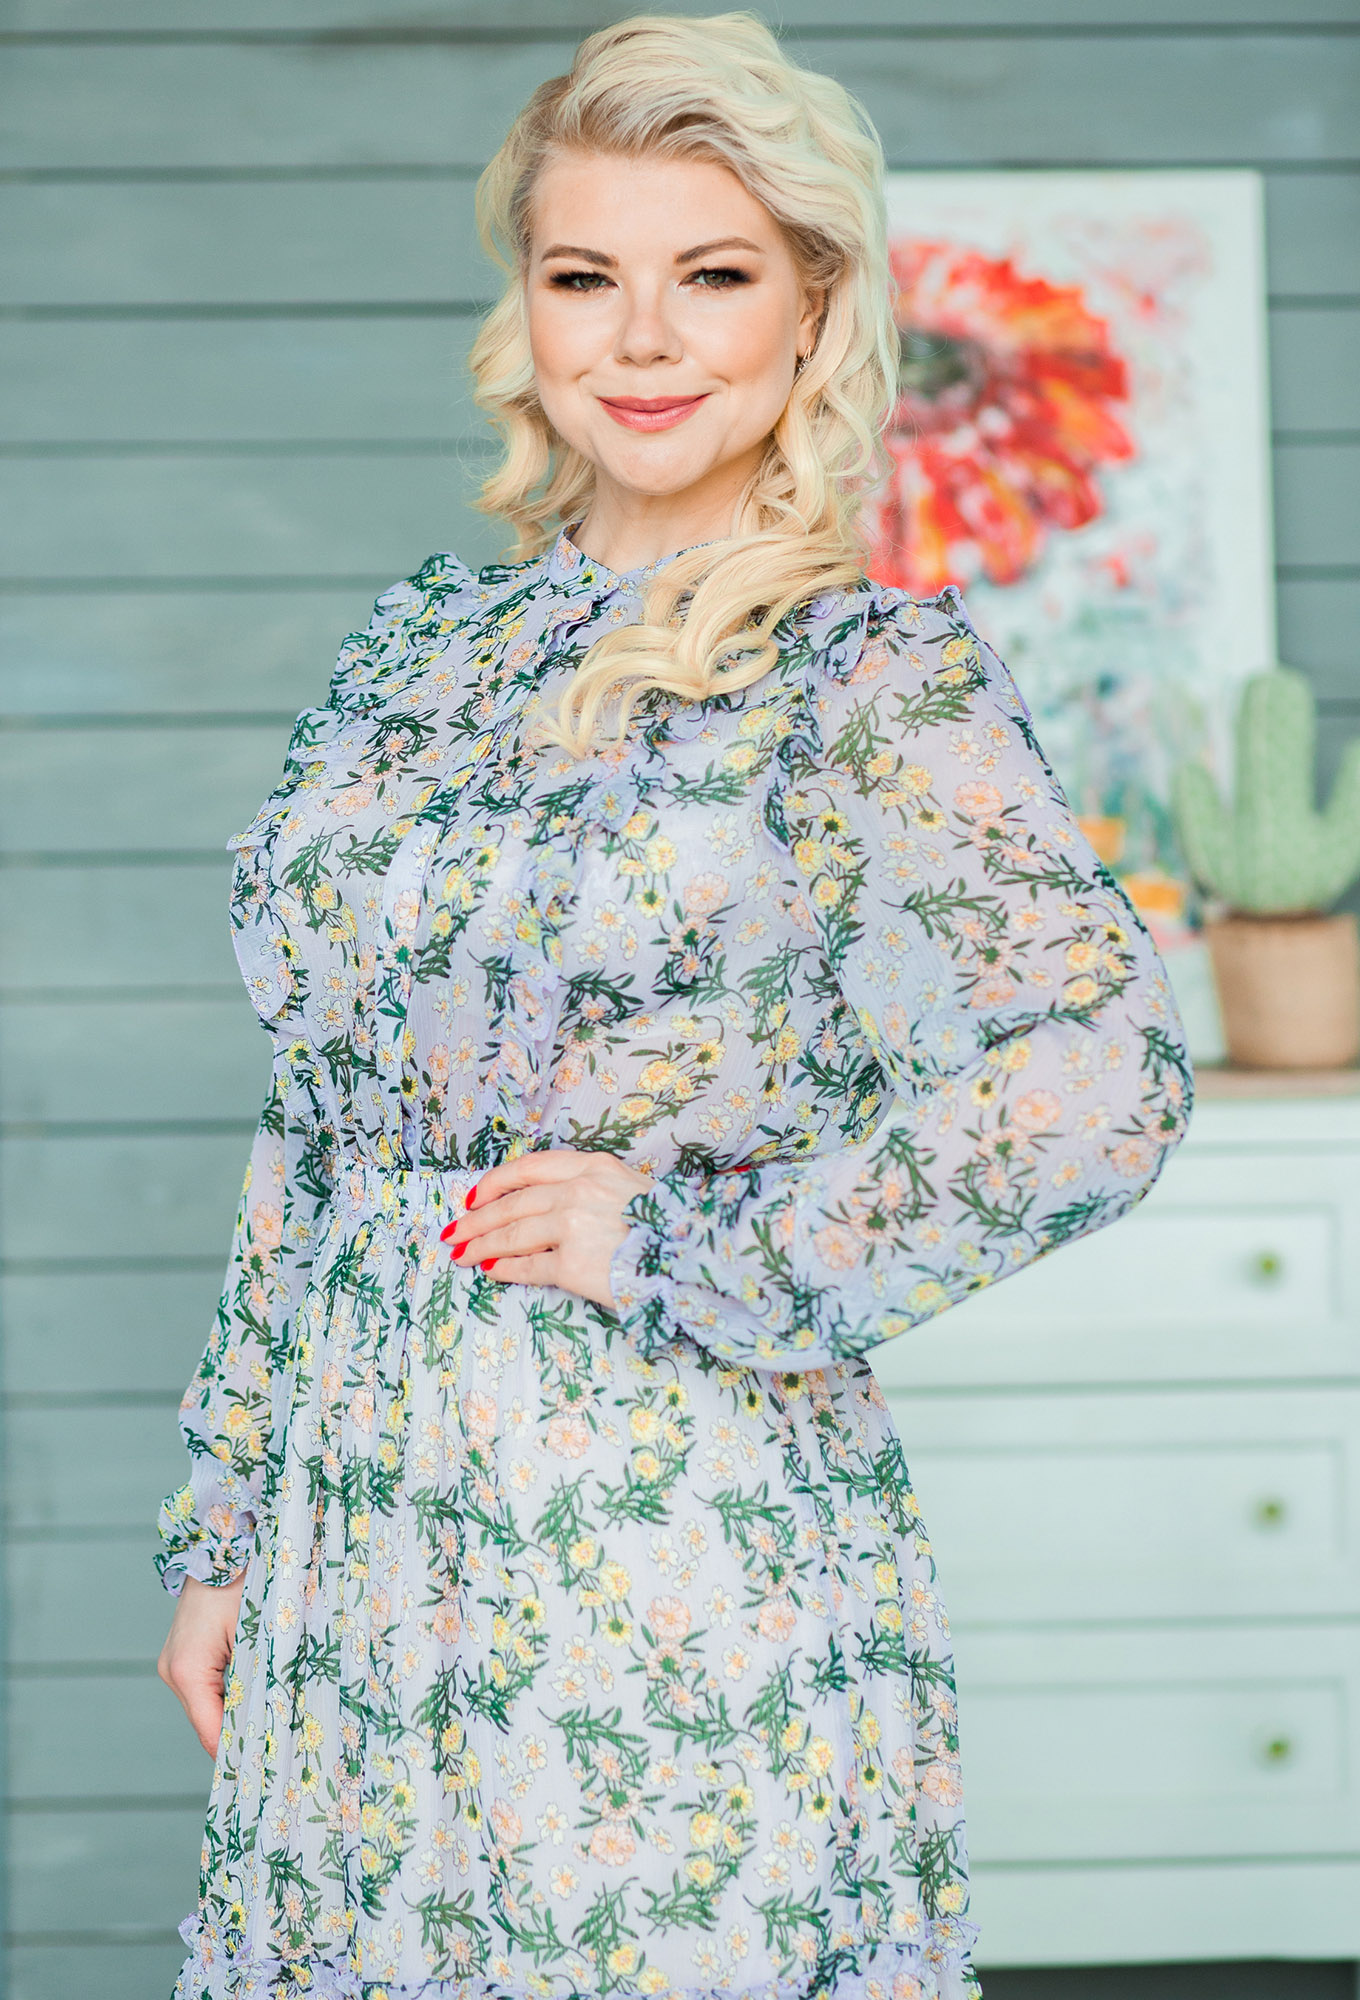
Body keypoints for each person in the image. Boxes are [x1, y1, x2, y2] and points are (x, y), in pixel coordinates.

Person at [154, 13, 1193, 1999]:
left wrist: (702, 1242)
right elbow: (318, 1113)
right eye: (584, 277)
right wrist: (228, 1523)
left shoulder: (864, 678)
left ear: (810, 312)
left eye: (709, 275)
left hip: (652, 1517)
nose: (640, 338)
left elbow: (1098, 1074)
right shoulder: (411, 651)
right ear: (528, 313)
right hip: (359, 1527)